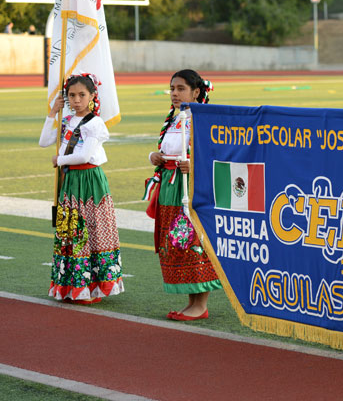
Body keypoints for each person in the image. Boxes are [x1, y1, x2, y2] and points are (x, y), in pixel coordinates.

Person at [38, 74, 123, 303]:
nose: (76, 100)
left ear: (92, 96)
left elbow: (85, 155)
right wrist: (52, 113)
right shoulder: (66, 120)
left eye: (82, 95)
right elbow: (44, 141)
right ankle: (70, 285)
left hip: (89, 180)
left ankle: (91, 286)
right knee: (70, 232)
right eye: (71, 95)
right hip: (71, 181)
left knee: (90, 231)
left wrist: (60, 160)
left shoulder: (95, 123)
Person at [144, 69, 221, 320]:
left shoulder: (203, 119)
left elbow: (216, 155)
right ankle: (192, 301)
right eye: (172, 89)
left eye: (180, 89)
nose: (175, 93)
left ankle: (201, 303)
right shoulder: (177, 119)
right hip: (171, 187)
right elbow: (168, 150)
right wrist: (154, 157)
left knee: (192, 241)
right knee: (176, 243)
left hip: (190, 188)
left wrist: (194, 166)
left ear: (196, 92)